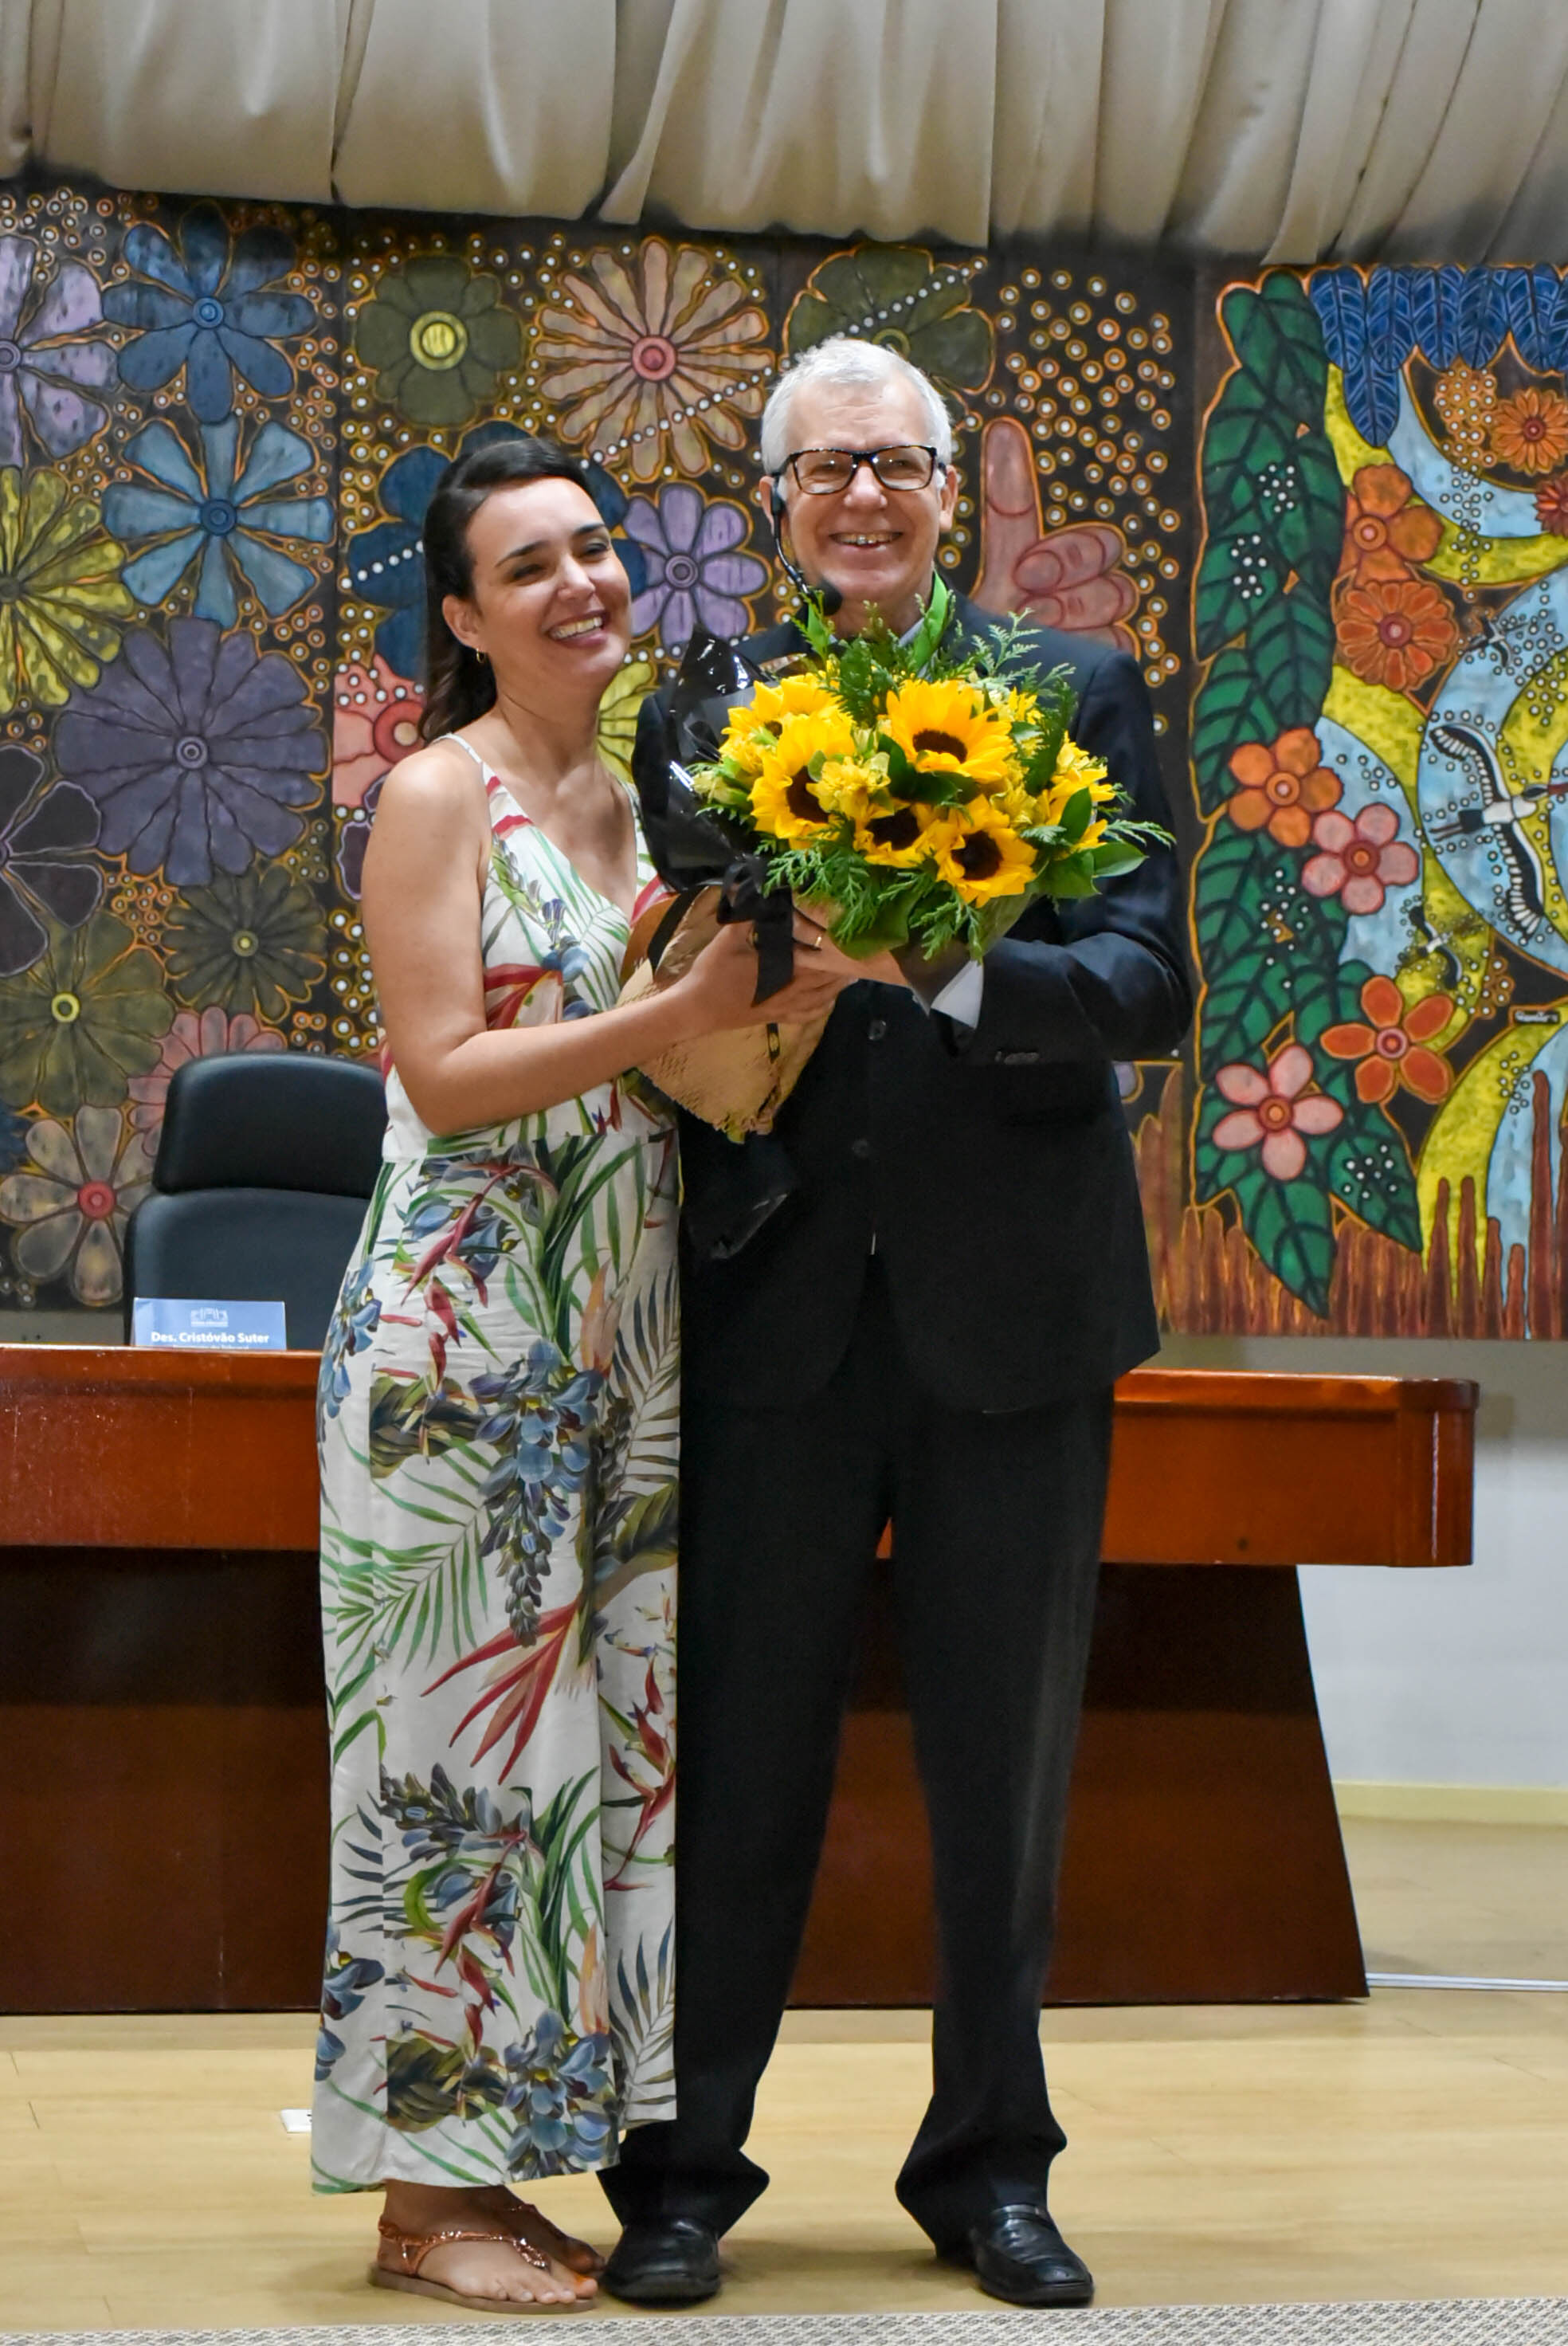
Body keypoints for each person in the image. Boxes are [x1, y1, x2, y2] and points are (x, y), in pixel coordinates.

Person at [600, 339, 1194, 2309]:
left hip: (1014, 1315)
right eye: (822, 467)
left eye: (897, 463)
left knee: (1002, 1774)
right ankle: (684, 2165)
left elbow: (1140, 981)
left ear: (955, 489)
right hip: (767, 1311)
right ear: (772, 505)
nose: (862, 494)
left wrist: (938, 963)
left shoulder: (1076, 695)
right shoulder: (706, 709)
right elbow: (661, 976)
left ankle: (990, 2165)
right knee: (740, 1763)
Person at [311, 437, 855, 2313]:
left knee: (583, 1763)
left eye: (599, 546)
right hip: (464, 1336)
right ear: (464, 616)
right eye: (528, 564)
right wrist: (680, 1012)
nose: (584, 582)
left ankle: (500, 2160)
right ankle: (417, 2202)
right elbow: (446, 1074)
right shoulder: (436, 792)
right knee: (452, 1756)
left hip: (620, 1331)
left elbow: (670, 1063)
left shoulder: (648, 790)